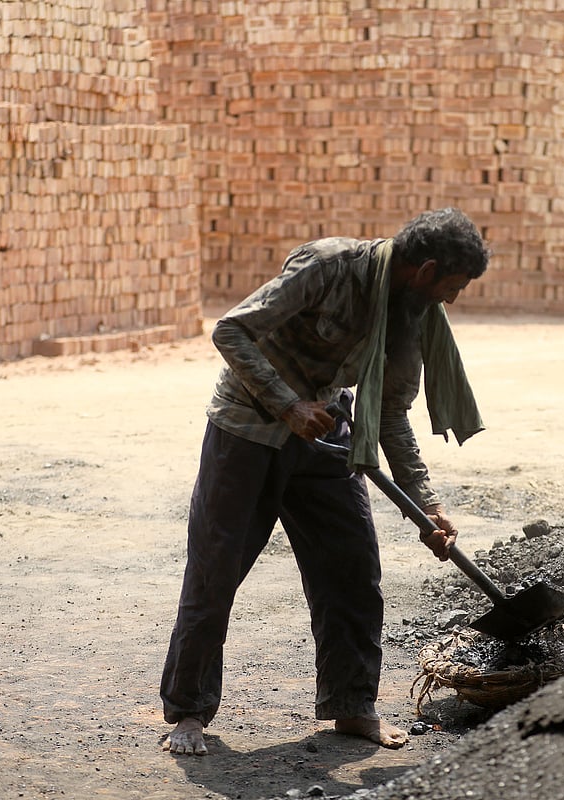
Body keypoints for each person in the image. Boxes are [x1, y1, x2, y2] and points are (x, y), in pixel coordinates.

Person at [160, 207, 490, 755]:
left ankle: (352, 705)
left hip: (327, 436)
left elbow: (388, 414)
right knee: (215, 571)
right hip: (247, 429)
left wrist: (427, 507)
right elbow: (232, 330)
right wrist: (287, 405)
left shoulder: (414, 312)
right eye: (451, 286)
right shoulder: (330, 265)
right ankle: (190, 713)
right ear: (426, 269)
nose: (450, 300)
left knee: (352, 570)